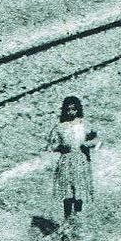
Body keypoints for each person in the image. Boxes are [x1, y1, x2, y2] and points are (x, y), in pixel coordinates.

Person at [46, 95, 99, 231]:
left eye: (74, 109)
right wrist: (59, 147)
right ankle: (67, 221)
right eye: (68, 109)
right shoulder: (60, 127)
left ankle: (78, 220)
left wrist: (87, 145)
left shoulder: (84, 124)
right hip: (66, 162)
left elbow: (97, 141)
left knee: (79, 191)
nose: (71, 112)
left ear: (78, 109)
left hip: (80, 161)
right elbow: (51, 146)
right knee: (67, 193)